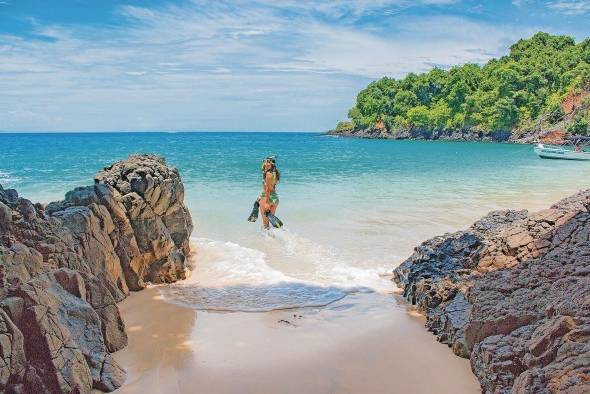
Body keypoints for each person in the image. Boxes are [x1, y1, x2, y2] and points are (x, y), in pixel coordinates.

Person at [258, 156, 280, 229]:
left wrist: (266, 202)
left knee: (265, 224)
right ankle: (272, 238)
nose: (264, 165)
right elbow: (272, 187)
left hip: (267, 198)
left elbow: (267, 189)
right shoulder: (275, 173)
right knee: (270, 222)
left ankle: (265, 239)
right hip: (274, 198)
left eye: (266, 163)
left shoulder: (268, 174)